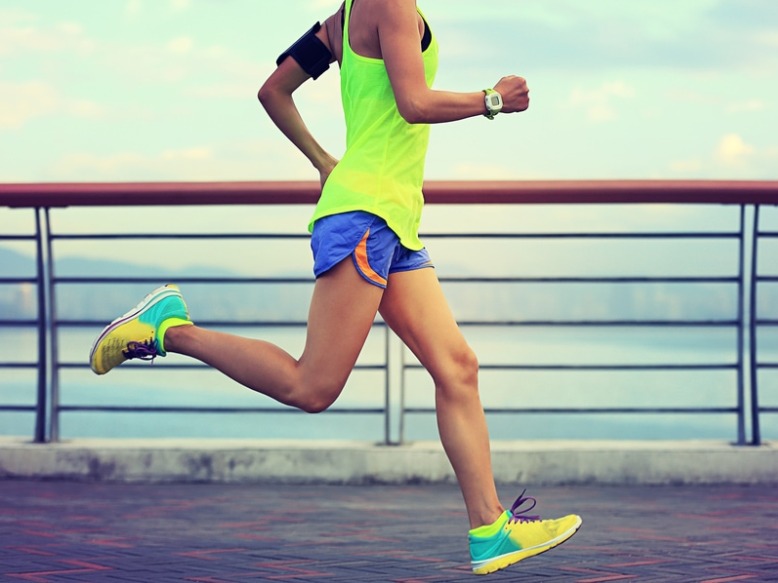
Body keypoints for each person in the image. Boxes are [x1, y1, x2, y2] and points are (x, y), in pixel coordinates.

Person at [89, 0, 581, 575]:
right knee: (312, 386)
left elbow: (274, 89)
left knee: (457, 368)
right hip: (366, 218)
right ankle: (170, 328)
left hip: (392, 220)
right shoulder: (390, 4)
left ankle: (491, 529)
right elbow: (414, 103)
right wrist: (492, 100)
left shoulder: (343, 18)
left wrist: (327, 161)